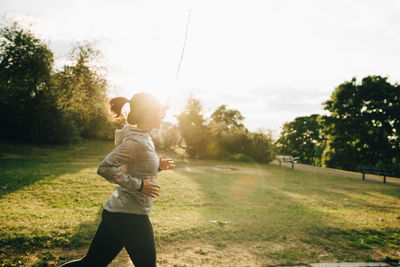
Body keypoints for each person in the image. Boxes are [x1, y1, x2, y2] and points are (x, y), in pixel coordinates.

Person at [61, 92, 176, 267]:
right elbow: (105, 168)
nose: (161, 115)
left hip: (117, 213)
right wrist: (139, 186)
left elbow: (136, 166)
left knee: (91, 263)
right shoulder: (136, 141)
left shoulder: (144, 135)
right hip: (130, 216)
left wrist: (158, 166)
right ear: (147, 115)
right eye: (158, 111)